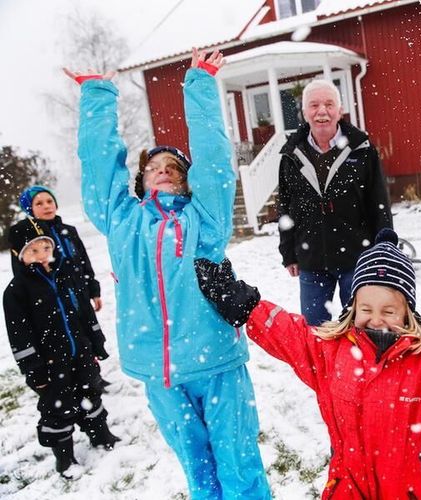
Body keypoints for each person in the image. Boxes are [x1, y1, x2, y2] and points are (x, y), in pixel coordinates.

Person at [64, 48, 270, 499]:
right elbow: (100, 171)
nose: (161, 172)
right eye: (153, 168)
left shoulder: (205, 218)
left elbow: (213, 159)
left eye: (172, 168)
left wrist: (199, 85)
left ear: (185, 179)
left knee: (237, 463)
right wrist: (97, 97)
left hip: (216, 360)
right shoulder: (121, 220)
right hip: (158, 370)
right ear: (141, 180)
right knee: (197, 468)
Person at [195, 228, 421, 499]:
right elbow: (288, 333)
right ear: (353, 307)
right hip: (346, 485)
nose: (376, 319)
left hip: (403, 487)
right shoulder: (329, 353)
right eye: (366, 309)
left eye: (389, 311)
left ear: (408, 313)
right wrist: (246, 305)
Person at [3, 221, 118, 477]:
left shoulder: (66, 276)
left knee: (91, 392)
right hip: (51, 364)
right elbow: (19, 337)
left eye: (46, 248)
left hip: (82, 353)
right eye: (33, 251)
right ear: (19, 255)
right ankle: (64, 457)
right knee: (59, 407)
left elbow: (85, 312)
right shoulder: (16, 292)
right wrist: (34, 370)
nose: (42, 255)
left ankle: (100, 435)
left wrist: (96, 343)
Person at [277, 79, 393, 326]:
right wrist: (289, 253)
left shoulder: (362, 150)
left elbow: (379, 204)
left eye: (329, 104)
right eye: (314, 105)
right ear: (304, 112)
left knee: (360, 326)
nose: (322, 111)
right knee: (314, 330)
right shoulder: (291, 155)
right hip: (311, 259)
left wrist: (385, 249)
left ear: (340, 111)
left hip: (357, 257)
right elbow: (285, 207)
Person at [17, 185, 111, 389]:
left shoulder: (69, 231)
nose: (46, 206)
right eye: (39, 203)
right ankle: (74, 378)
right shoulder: (33, 239)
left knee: (87, 333)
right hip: (57, 299)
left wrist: (93, 290)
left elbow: (84, 262)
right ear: (30, 209)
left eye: (49, 201)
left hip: (79, 294)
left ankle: (93, 375)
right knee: (70, 336)